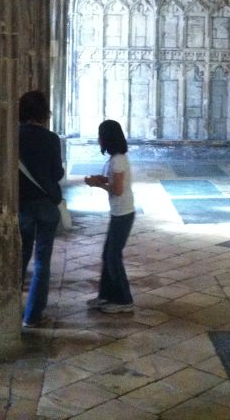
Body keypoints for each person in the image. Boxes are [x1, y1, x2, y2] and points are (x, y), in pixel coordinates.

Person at [18, 90, 64, 328]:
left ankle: (10, 310)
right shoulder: (51, 139)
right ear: (44, 113)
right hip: (46, 206)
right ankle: (33, 315)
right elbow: (57, 173)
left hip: (22, 205)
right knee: (42, 262)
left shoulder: (13, 136)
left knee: (19, 259)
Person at [84, 120, 135, 313]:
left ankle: (124, 300)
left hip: (123, 212)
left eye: (100, 135)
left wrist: (98, 185)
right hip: (119, 212)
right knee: (108, 254)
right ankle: (105, 296)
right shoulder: (116, 158)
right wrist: (100, 178)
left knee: (113, 256)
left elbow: (118, 189)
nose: (98, 139)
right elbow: (114, 180)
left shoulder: (118, 160)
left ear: (107, 138)